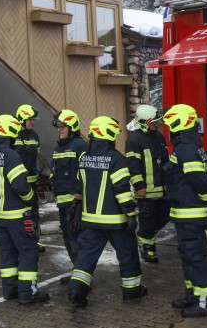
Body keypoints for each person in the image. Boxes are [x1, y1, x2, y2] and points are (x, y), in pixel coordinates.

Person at [67, 116, 147, 307]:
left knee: (86, 256)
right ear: (109, 134)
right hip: (115, 221)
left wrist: (76, 206)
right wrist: (131, 214)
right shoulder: (116, 159)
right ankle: (131, 291)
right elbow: (122, 189)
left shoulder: (84, 158)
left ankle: (76, 290)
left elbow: (80, 186)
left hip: (91, 221)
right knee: (127, 253)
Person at [163, 104, 207, 318]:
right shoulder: (188, 147)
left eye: (170, 125)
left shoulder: (186, 149)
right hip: (185, 213)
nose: (168, 130)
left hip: (191, 214)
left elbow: (200, 182)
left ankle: (206, 301)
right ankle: (193, 294)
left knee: (195, 257)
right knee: (188, 256)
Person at [0, 114, 50, 305]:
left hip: (0, 216)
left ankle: (10, 291)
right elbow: (21, 186)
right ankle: (27, 294)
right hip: (17, 215)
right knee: (28, 252)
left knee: (7, 253)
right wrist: (30, 200)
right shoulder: (11, 155)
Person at [125, 104, 169, 264]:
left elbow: (165, 160)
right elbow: (132, 165)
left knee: (165, 215)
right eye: (153, 122)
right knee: (148, 220)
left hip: (162, 188)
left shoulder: (158, 137)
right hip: (146, 191)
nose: (156, 125)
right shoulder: (134, 140)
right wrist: (139, 186)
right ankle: (147, 248)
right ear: (144, 122)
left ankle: (147, 235)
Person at [50, 109, 88, 284]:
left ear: (72, 127)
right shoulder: (58, 148)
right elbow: (55, 171)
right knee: (68, 239)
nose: (58, 130)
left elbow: (85, 173)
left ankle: (82, 277)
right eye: (57, 127)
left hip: (76, 203)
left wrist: (79, 198)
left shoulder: (81, 146)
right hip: (63, 204)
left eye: (62, 127)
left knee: (76, 240)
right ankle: (77, 273)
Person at [14, 104, 45, 252]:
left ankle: (35, 240)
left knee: (34, 213)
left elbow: (35, 158)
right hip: (18, 182)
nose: (33, 122)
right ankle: (18, 241)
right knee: (19, 212)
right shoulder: (13, 135)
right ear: (21, 119)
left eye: (33, 119)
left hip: (31, 182)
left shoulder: (35, 136)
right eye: (30, 119)